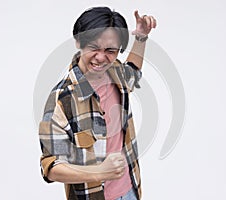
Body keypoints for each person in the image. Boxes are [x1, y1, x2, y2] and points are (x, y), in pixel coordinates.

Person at [39, 6, 156, 200]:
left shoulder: (116, 71)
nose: (101, 58)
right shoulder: (61, 100)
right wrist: (100, 172)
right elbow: (51, 167)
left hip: (130, 189)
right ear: (79, 42)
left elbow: (133, 73)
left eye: (110, 50)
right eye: (93, 47)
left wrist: (141, 37)